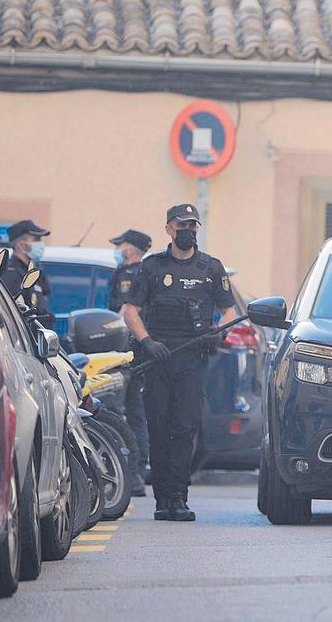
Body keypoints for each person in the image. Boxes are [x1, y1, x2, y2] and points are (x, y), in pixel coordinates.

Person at [120, 205, 236, 522]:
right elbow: (130, 311)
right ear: (169, 229)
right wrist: (147, 342)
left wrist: (217, 334)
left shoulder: (211, 268)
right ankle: (162, 499)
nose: (189, 231)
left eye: (193, 226)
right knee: (159, 429)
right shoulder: (152, 268)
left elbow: (229, 312)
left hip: (192, 359)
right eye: (182, 225)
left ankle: (179, 497)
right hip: (157, 358)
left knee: (185, 428)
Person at [107, 228, 153, 497]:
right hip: (126, 349)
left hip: (132, 349)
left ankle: (135, 471)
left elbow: (125, 312)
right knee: (130, 410)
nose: (117, 249)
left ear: (130, 249)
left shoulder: (136, 274)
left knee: (133, 409)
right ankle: (132, 471)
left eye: (120, 245)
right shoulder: (122, 274)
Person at [0, 219, 54, 328]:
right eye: (37, 239)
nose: (41, 244)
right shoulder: (10, 275)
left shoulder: (33, 271)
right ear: (21, 245)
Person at [108, 229, 152, 312]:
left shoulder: (129, 275)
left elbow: (126, 309)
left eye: (119, 246)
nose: (116, 250)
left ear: (129, 251)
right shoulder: (146, 271)